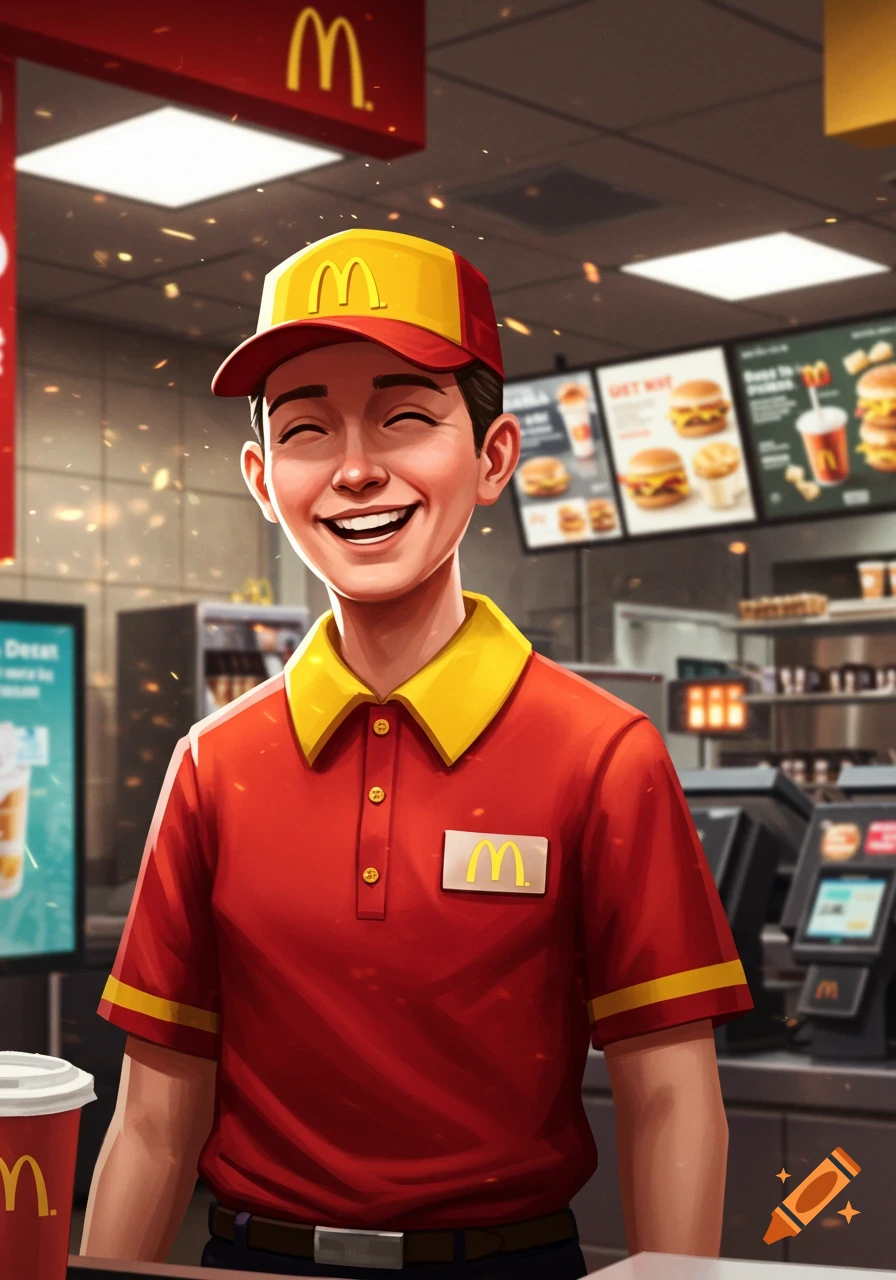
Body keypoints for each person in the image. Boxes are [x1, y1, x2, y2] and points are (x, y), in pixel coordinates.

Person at [81, 228, 752, 1277]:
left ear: (490, 458)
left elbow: (668, 1095)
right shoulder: (214, 762)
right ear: (262, 478)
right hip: (254, 1259)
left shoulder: (602, 752)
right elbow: (156, 1117)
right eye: (306, 428)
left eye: (403, 416)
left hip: (506, 1262)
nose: (355, 469)